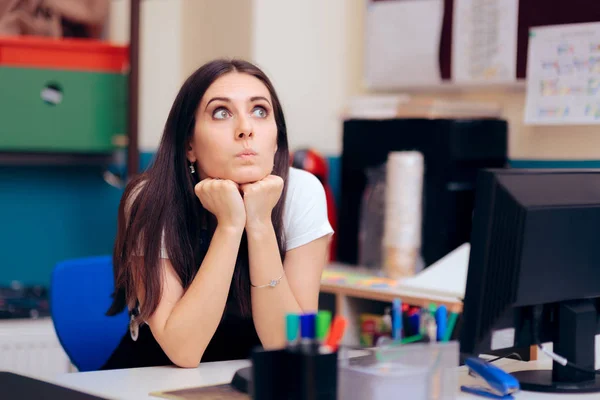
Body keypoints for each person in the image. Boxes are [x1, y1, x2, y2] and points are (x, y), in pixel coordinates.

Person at [103, 59, 334, 369]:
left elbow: (290, 348)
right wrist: (229, 225)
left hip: (243, 383)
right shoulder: (149, 199)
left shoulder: (302, 192)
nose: (245, 128)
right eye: (221, 113)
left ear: (276, 136)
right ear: (189, 145)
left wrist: (260, 222)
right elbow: (183, 351)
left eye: (260, 111)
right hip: (154, 378)